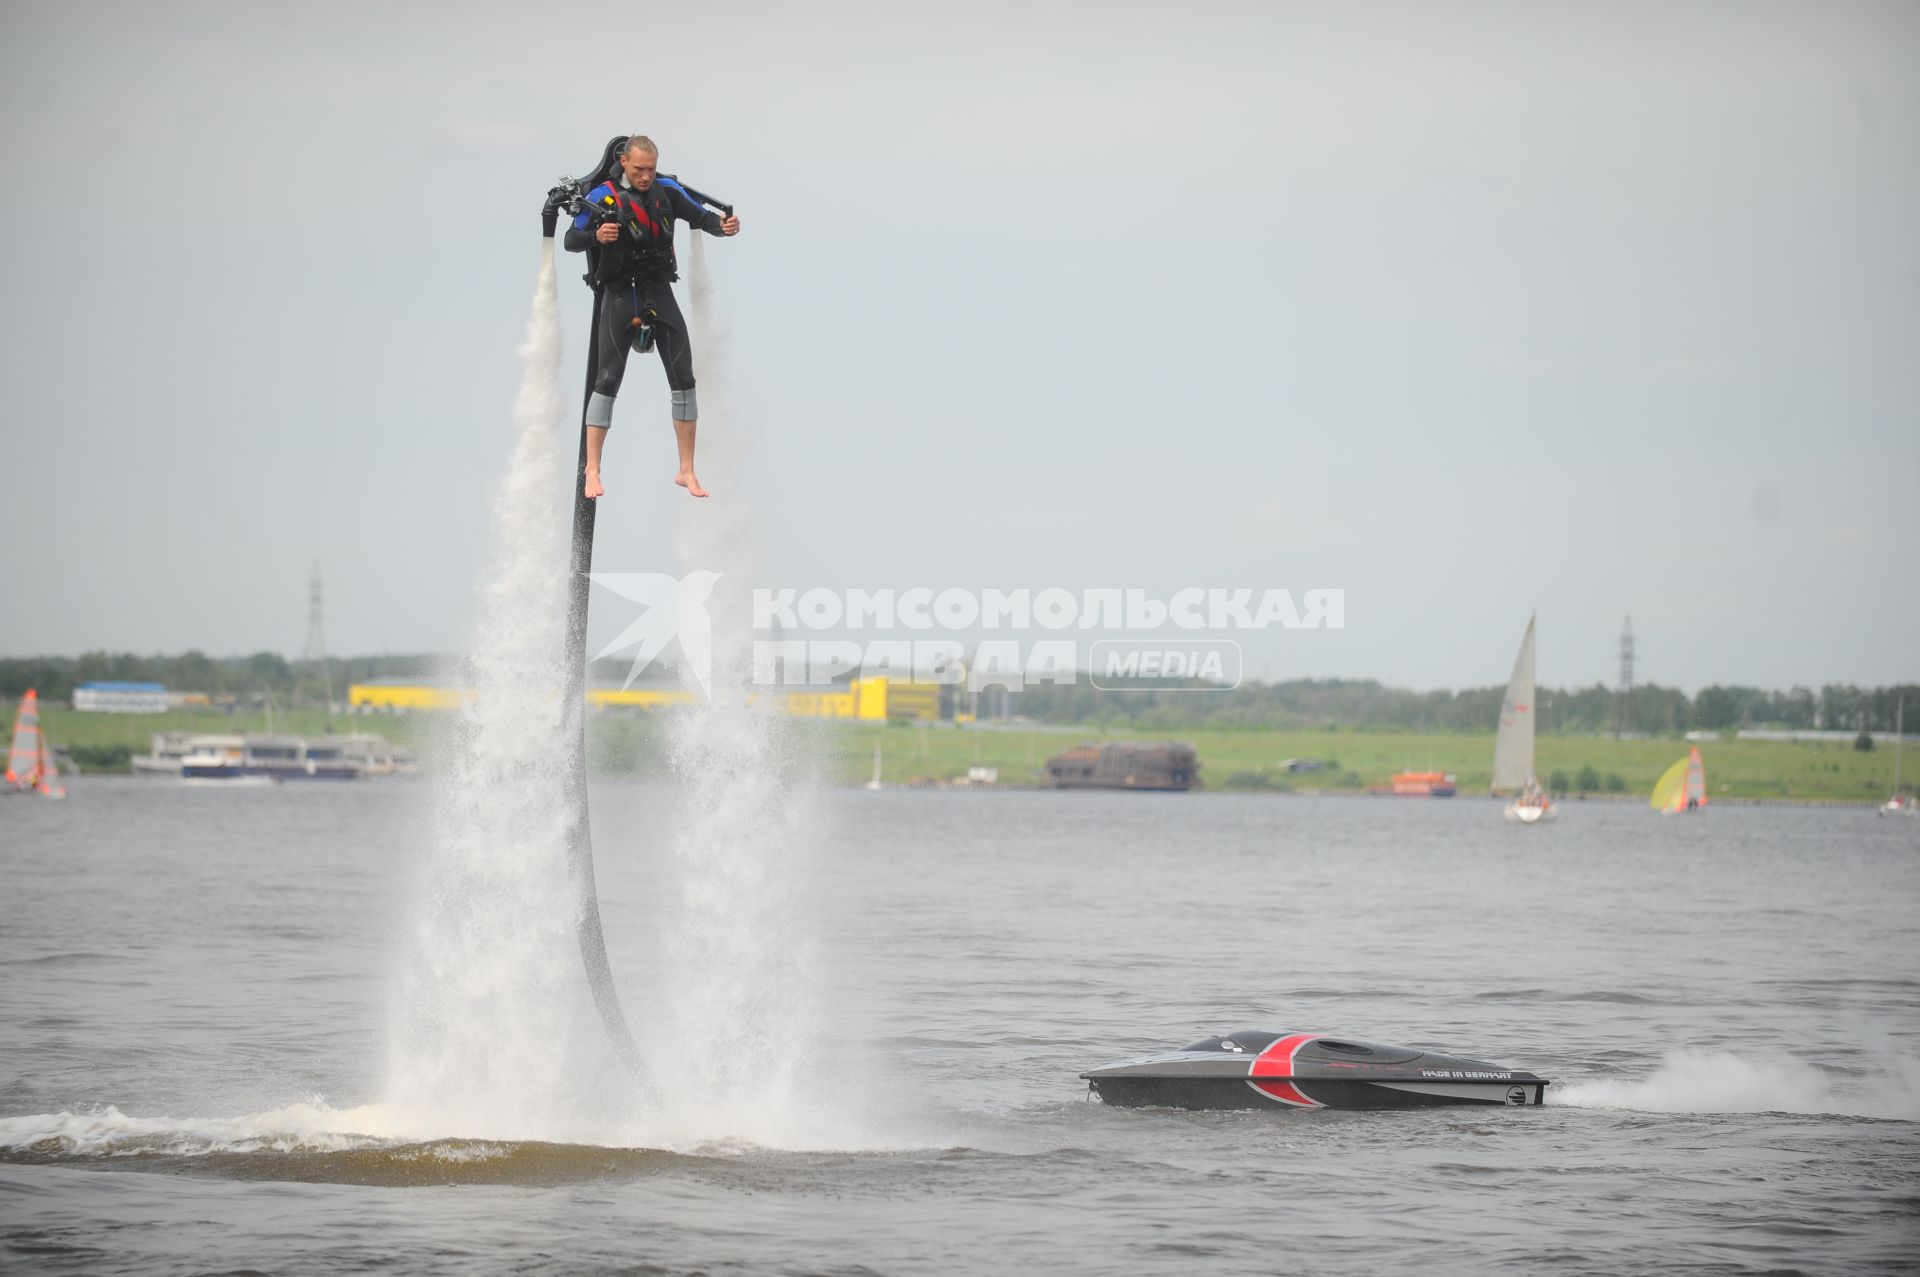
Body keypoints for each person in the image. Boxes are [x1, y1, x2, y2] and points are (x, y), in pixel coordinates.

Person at [564, 134, 741, 499]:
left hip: (659, 290)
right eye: (640, 169)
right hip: (620, 294)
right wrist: (597, 235)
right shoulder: (603, 196)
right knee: (608, 377)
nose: (646, 176)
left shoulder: (666, 191)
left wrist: (722, 227)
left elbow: (700, 215)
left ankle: (686, 470)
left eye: (652, 169)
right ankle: (593, 469)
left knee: (685, 378)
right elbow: (571, 239)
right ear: (625, 162)